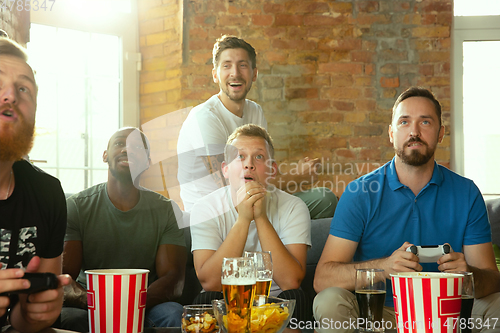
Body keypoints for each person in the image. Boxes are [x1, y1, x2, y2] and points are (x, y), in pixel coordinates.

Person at [313, 87, 500, 332]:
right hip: (380, 315)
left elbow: (492, 280)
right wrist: (384, 268)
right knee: (328, 301)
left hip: (450, 313)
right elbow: (323, 278)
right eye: (404, 122)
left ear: (441, 133)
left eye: (425, 121)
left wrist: (468, 276)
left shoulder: (467, 193)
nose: (414, 131)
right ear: (391, 134)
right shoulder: (359, 192)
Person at [177, 35, 337, 218]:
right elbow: (232, 187)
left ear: (254, 74)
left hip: (253, 201)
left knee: (325, 199)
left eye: (242, 65)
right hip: (217, 213)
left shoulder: (255, 111)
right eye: (227, 65)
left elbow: (263, 171)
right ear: (215, 75)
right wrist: (298, 177)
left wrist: (296, 172)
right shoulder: (204, 118)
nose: (235, 73)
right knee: (322, 201)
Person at [61, 127, 187, 331]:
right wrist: (100, 304)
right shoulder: (76, 206)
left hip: (147, 303)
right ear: (105, 155)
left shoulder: (166, 209)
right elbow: (64, 279)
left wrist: (129, 305)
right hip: (89, 303)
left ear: (147, 161)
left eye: (137, 146)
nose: (127, 150)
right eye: (120, 143)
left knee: (174, 315)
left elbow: (174, 280)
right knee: (68, 319)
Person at [190, 124, 313, 321]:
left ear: (272, 170)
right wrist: (244, 219)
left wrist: (260, 217)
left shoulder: (294, 207)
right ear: (226, 169)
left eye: (259, 156)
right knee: (206, 299)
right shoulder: (205, 208)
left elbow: (291, 281)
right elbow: (210, 283)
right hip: (226, 300)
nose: (249, 164)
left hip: (274, 302)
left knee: (297, 298)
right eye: (240, 156)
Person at [0, 37, 71, 331]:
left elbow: (23, 322)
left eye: (23, 88)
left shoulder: (47, 193)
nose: (10, 96)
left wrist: (33, 313)